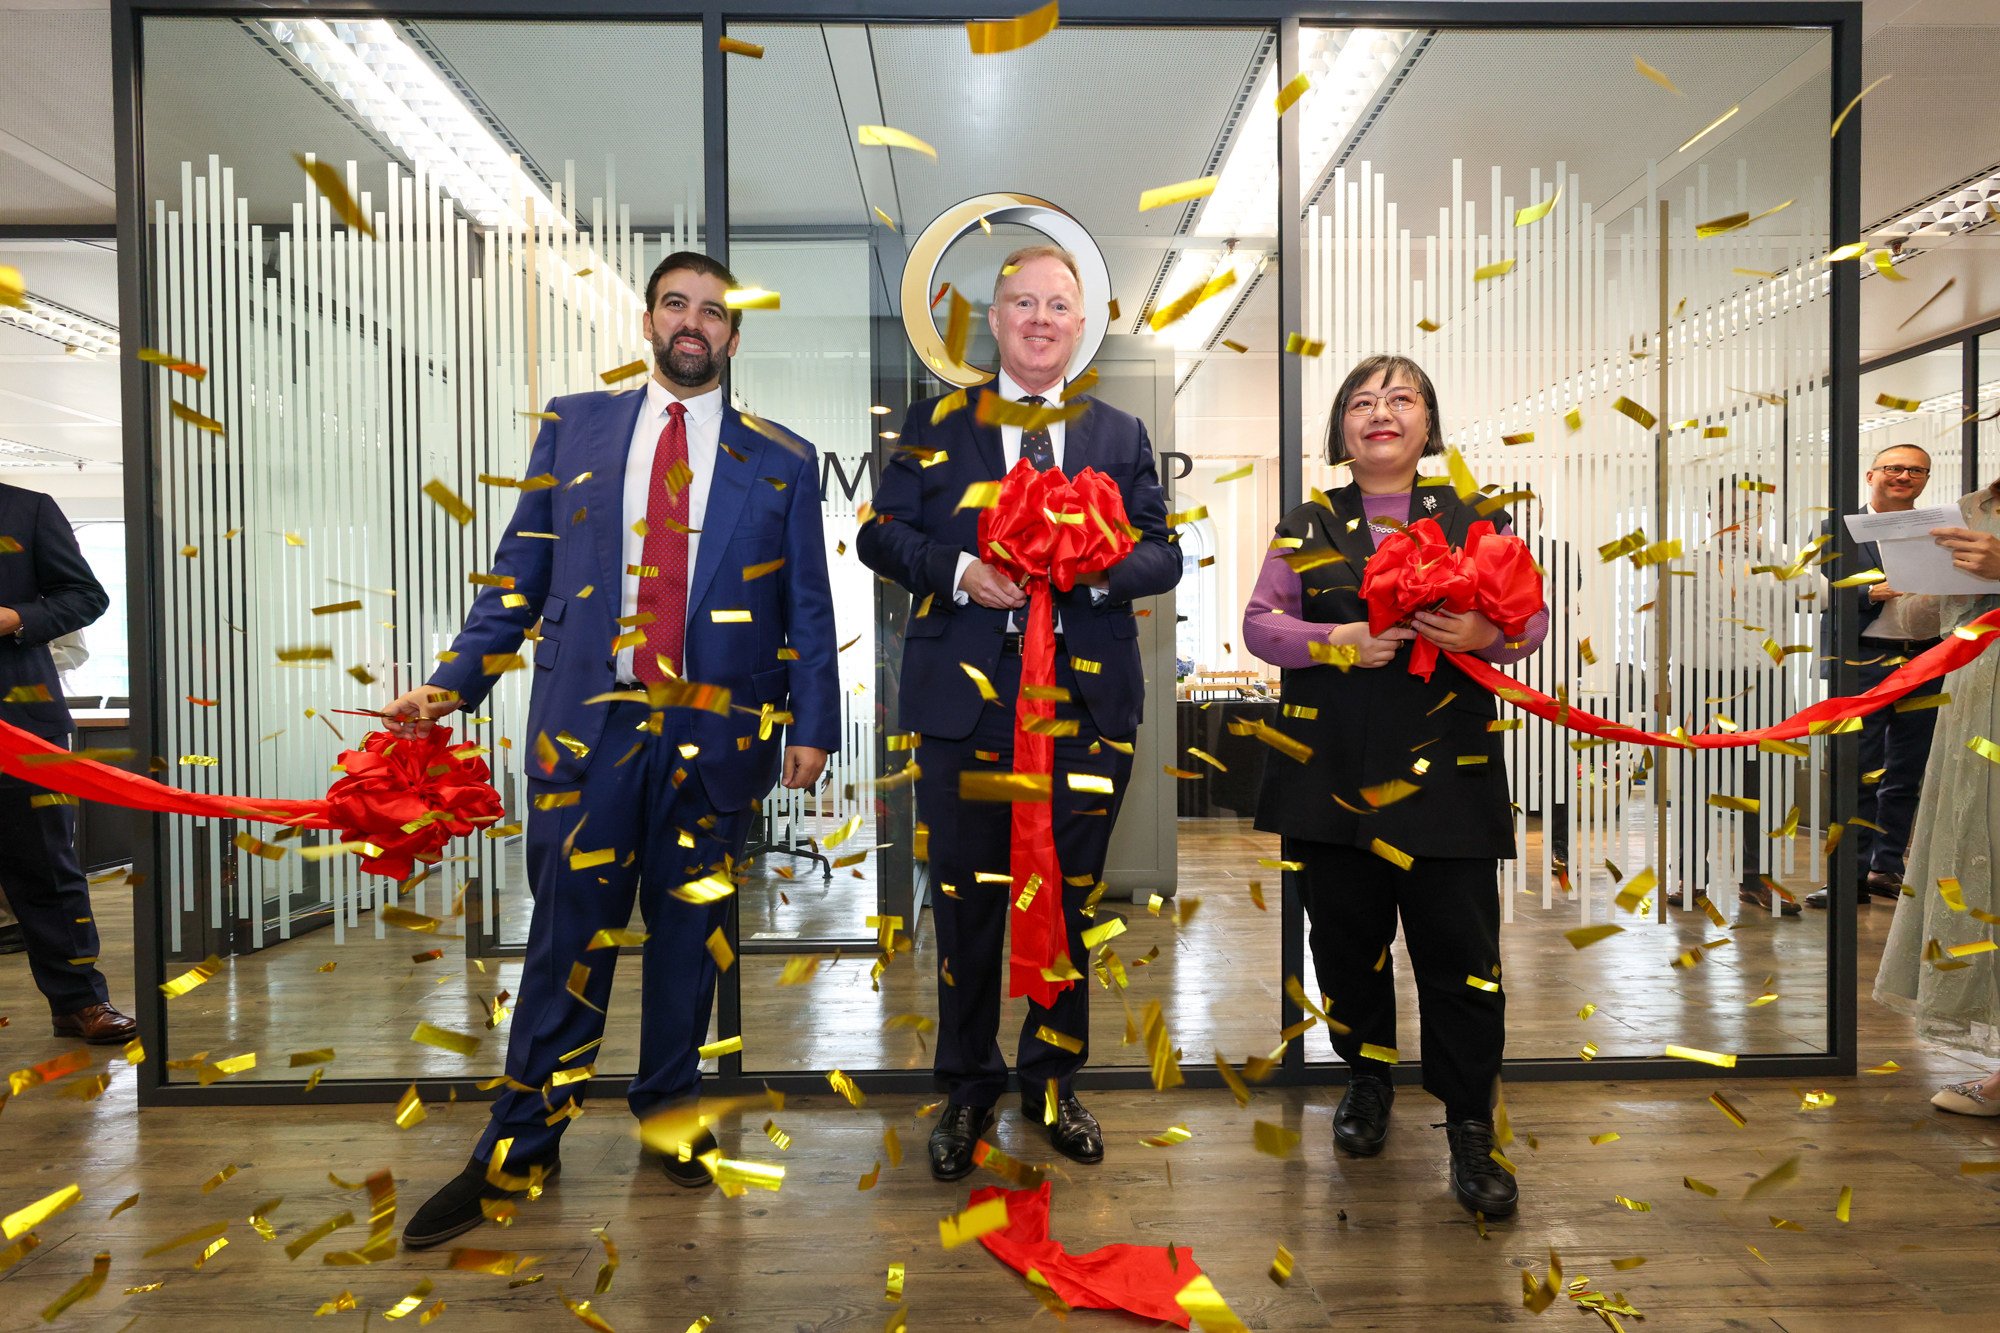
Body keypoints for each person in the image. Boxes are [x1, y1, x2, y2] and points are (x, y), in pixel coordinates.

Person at [393, 252, 840, 1247]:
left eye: (713, 312)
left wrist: (814, 722)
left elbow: (805, 602)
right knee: (567, 945)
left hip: (714, 734)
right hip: (588, 730)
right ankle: (523, 1142)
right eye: (676, 304)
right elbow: (519, 573)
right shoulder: (575, 425)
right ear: (647, 322)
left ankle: (669, 1116)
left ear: (733, 336)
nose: (693, 323)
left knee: (689, 946)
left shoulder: (781, 457)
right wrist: (453, 682)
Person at [857, 244, 1180, 1181]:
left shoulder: (1119, 431)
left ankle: (1051, 1081)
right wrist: (960, 571)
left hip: (1083, 699)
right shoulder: (936, 421)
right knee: (967, 902)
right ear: (994, 319)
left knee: (1068, 898)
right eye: (1023, 303)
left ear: (1083, 326)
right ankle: (967, 1085)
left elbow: (1162, 550)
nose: (1041, 319)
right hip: (968, 701)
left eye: (1059, 305)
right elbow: (882, 533)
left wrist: (1094, 570)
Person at [1241, 354, 1547, 1219]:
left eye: (1401, 398)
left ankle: (1470, 1123)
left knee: (1462, 959)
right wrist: (1334, 640)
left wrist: (1486, 631)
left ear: (1428, 422)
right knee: (1347, 948)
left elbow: (1531, 620)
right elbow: (1260, 625)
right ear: (1342, 425)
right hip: (1331, 771)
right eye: (1363, 401)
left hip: (1449, 772)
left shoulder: (1477, 516)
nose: (1381, 412)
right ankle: (1367, 1078)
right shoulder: (1308, 521)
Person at [1871, 475, 2000, 1115]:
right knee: (1982, 872)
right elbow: (1929, 619)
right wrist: (1917, 584)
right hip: (1973, 697)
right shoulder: (1976, 507)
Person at [0, 482, 135, 1043]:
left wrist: (14, 617)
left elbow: (84, 595)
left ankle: (79, 1002)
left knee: (47, 868)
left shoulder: (26, 507)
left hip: (22, 721)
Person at [1807, 443, 1942, 910]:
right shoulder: (1837, 529)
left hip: (1925, 660)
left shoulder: (1936, 529)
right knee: (1856, 770)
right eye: (1894, 468)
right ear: (1871, 475)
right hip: (1861, 661)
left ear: (1925, 480)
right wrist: (1870, 592)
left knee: (1907, 771)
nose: (1904, 476)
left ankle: (1886, 867)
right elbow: (1817, 593)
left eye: (1916, 471)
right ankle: (1849, 878)